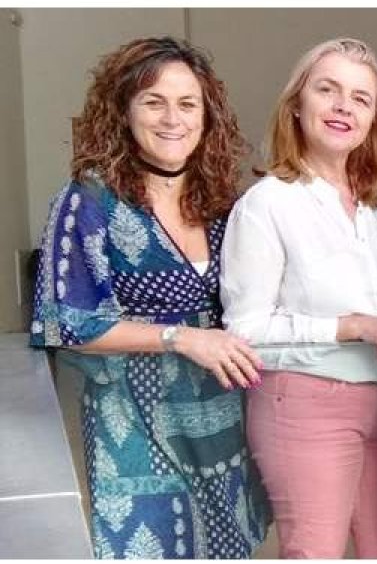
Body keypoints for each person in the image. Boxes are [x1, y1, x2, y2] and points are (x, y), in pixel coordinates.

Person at [29, 36, 270, 558]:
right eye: (153, 102)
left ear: (207, 115)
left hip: (222, 419)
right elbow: (65, 323)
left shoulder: (222, 202)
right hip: (132, 421)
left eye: (187, 104)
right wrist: (181, 338)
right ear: (124, 110)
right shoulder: (89, 200)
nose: (172, 119)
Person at [220, 38, 377, 559]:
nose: (343, 107)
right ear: (296, 104)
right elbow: (244, 332)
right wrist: (352, 326)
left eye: (360, 98)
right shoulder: (267, 204)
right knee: (316, 552)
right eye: (327, 90)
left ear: (374, 119)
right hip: (305, 404)